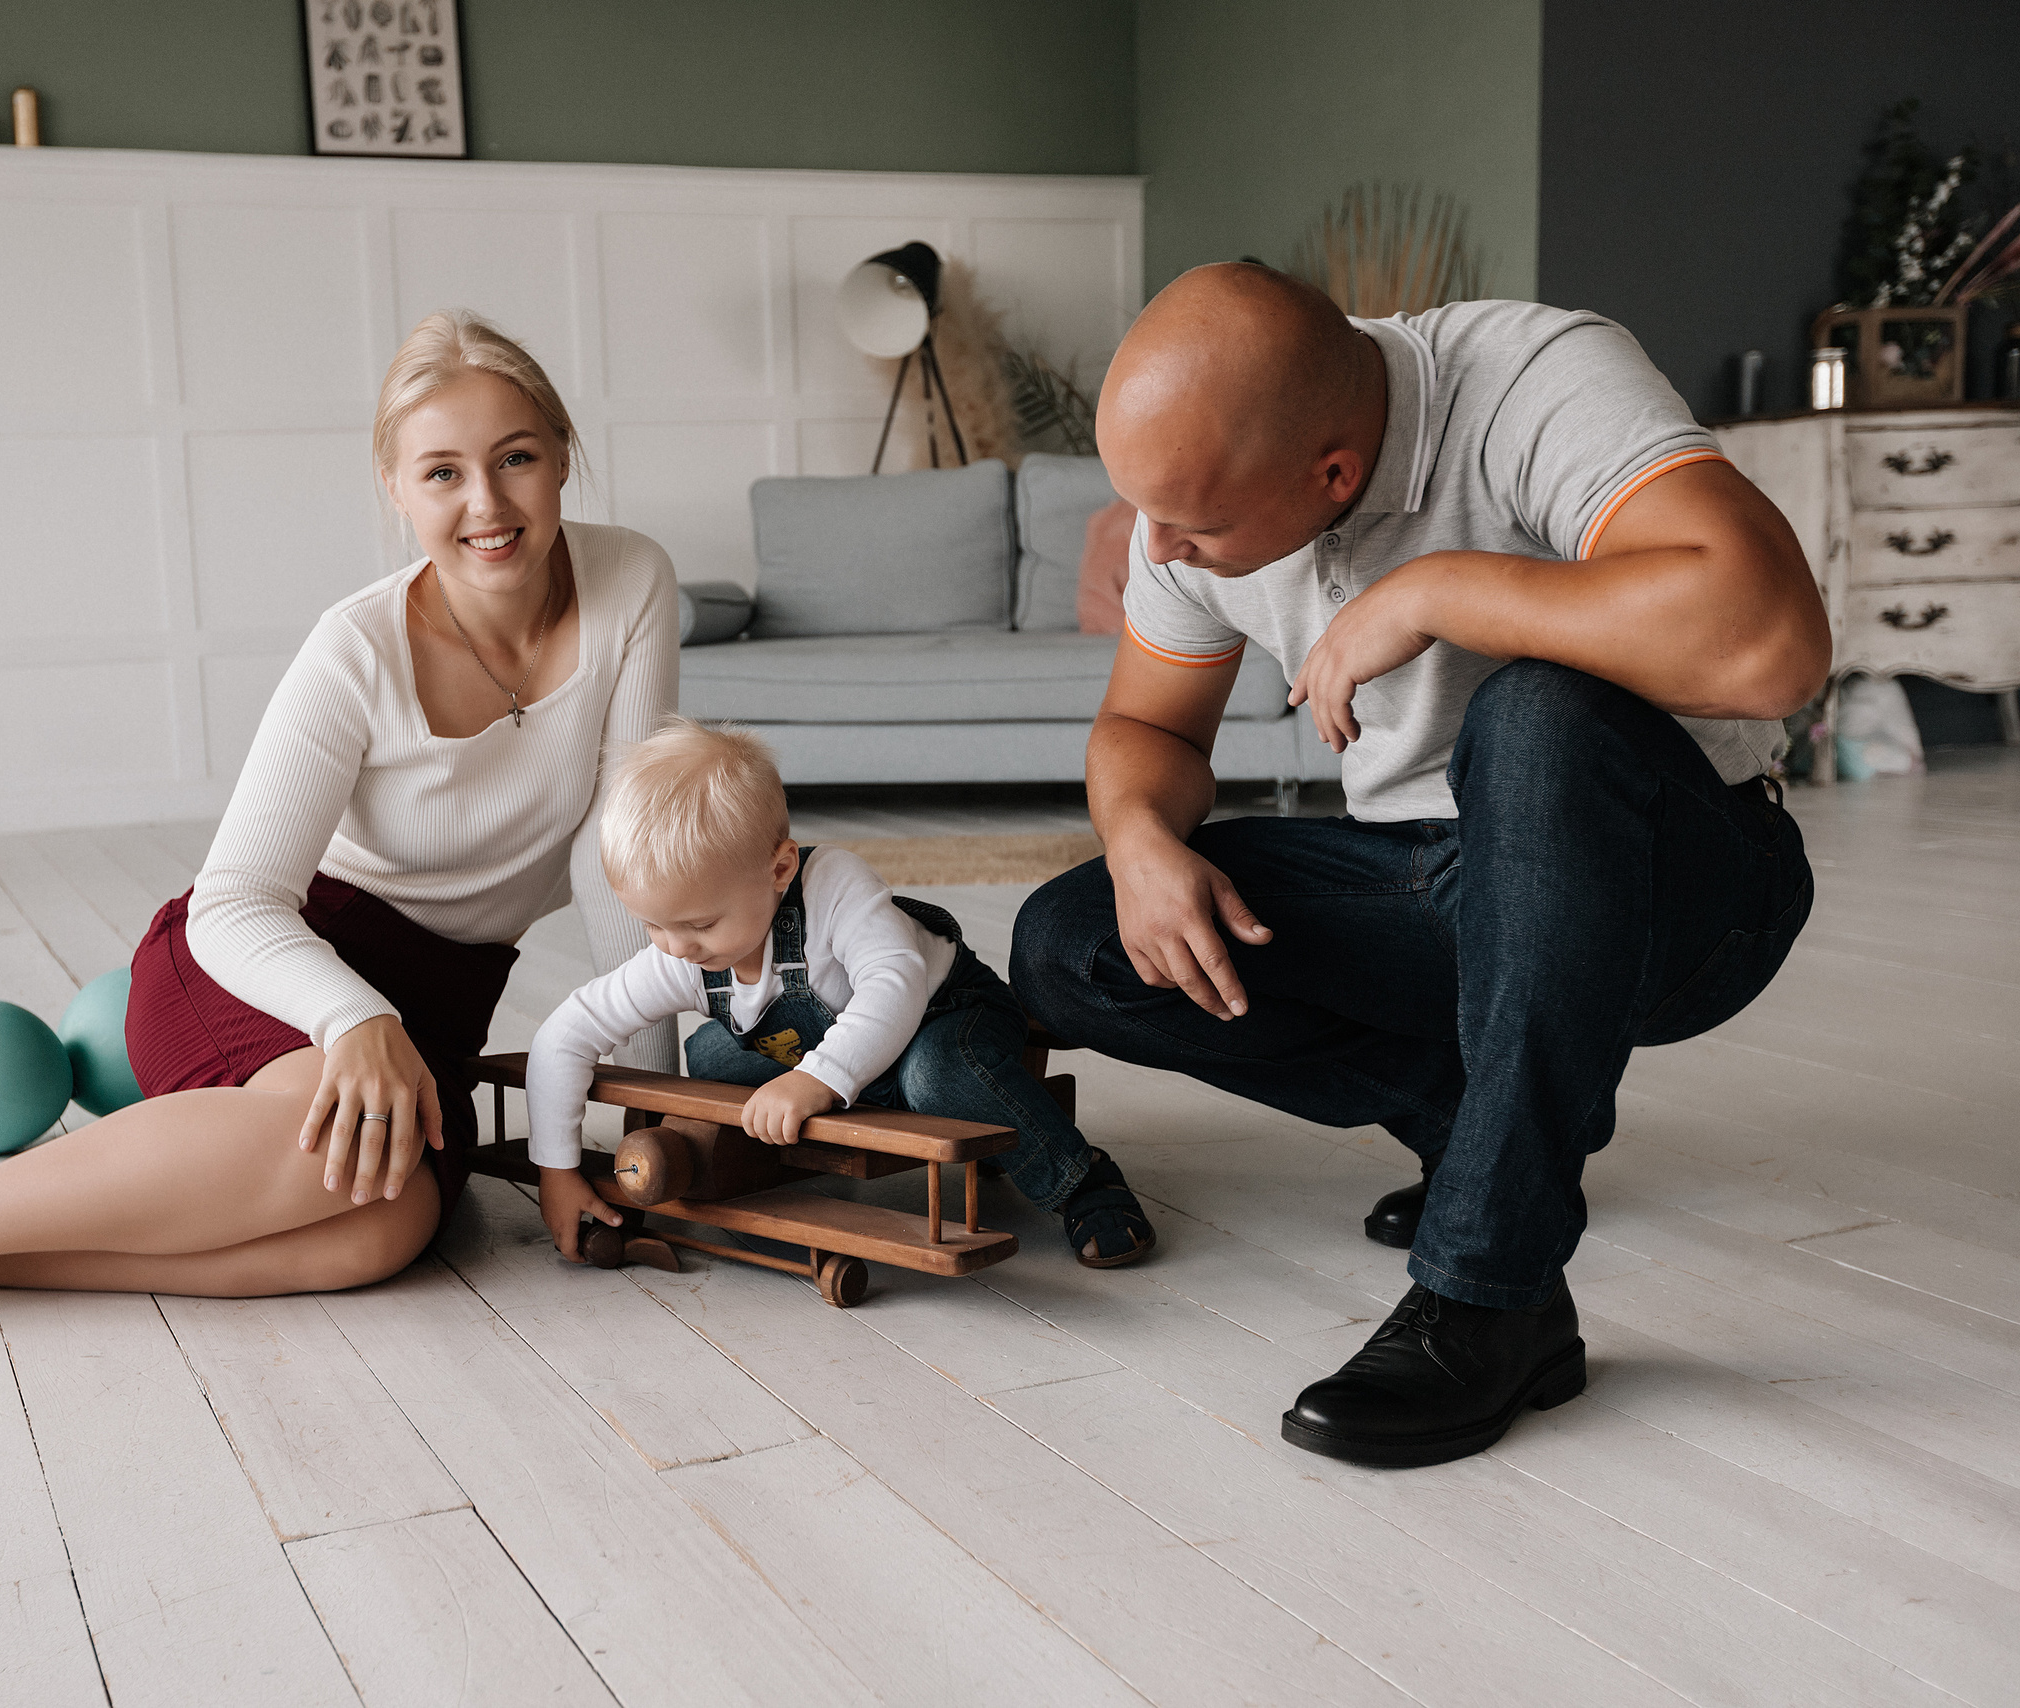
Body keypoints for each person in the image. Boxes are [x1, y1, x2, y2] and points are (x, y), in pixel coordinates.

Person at [0, 311, 679, 1352]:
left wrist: (658, 1120)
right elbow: (235, 901)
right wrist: (353, 1019)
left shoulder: (630, 581)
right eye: (443, 472)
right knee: (337, 1151)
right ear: (395, 491)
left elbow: (620, 857)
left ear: (562, 459)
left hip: (434, 1012)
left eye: (516, 459)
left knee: (384, 1231)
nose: (486, 503)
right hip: (271, 968)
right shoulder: (353, 649)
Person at [1010, 264, 1828, 1466]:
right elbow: (1147, 731)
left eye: (1192, 525)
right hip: (1431, 880)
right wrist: (1137, 842)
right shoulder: (1188, 501)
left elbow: (1773, 645)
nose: (1160, 546)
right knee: (1070, 943)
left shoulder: (1531, 383)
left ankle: (1491, 1290)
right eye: (1147, 512)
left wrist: (1438, 590)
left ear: (1331, 475)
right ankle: (1474, 1133)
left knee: (1537, 713)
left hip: (1686, 887)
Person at [526, 718, 1153, 1266]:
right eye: (652, 924)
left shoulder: (833, 886)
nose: (675, 946)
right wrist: (555, 1168)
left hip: (942, 1017)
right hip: (842, 1060)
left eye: (699, 924)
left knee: (938, 1076)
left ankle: (1082, 1183)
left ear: (779, 868)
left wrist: (815, 1079)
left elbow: (894, 981)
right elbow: (567, 1033)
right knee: (713, 1056)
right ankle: (816, 1137)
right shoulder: (683, 950)